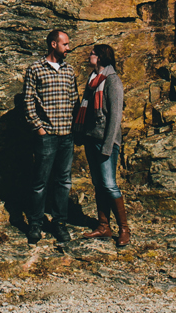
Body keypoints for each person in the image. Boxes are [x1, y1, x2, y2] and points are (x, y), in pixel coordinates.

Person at [22, 28, 79, 243]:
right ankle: (35, 224)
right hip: (46, 136)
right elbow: (28, 101)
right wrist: (38, 127)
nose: (68, 48)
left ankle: (59, 223)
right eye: (65, 44)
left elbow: (74, 99)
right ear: (53, 44)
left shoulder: (69, 70)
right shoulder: (36, 69)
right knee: (40, 182)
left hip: (67, 135)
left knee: (63, 181)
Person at [76, 43, 130, 247]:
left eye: (93, 53)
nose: (90, 55)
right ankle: (103, 226)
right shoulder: (92, 80)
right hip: (91, 138)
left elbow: (115, 117)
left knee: (109, 184)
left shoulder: (113, 81)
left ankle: (124, 229)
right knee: (99, 184)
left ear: (101, 57)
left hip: (106, 141)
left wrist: (108, 145)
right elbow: (86, 109)